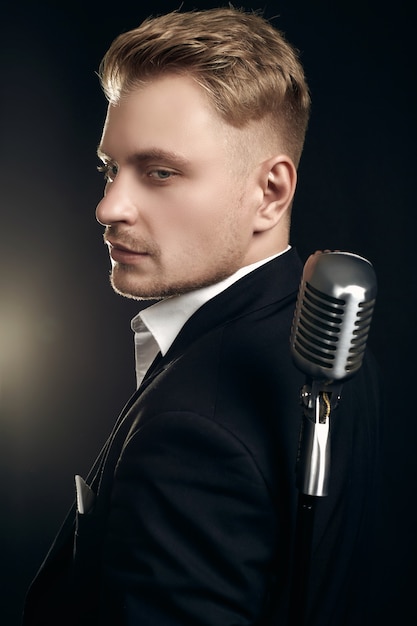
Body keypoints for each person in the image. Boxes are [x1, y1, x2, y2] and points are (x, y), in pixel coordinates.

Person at [22, 7, 381, 625]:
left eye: (160, 172)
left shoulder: (192, 431)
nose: (109, 207)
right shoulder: (322, 334)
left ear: (270, 191)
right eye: (111, 170)